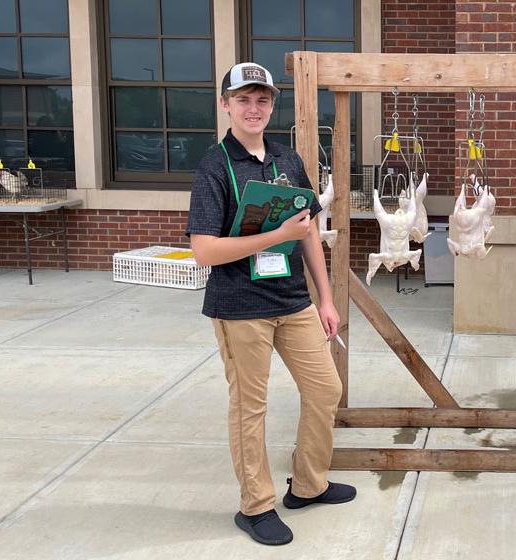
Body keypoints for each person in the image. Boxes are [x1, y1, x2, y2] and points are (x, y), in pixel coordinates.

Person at [187, 62, 356, 546]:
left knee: (325, 389)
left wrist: (325, 298)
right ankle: (255, 505)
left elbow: (309, 236)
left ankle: (307, 485)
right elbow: (203, 250)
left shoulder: (288, 159)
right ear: (226, 105)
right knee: (250, 408)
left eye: (262, 99)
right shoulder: (214, 167)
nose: (253, 108)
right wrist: (274, 234)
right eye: (243, 99)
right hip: (240, 306)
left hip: (293, 300)